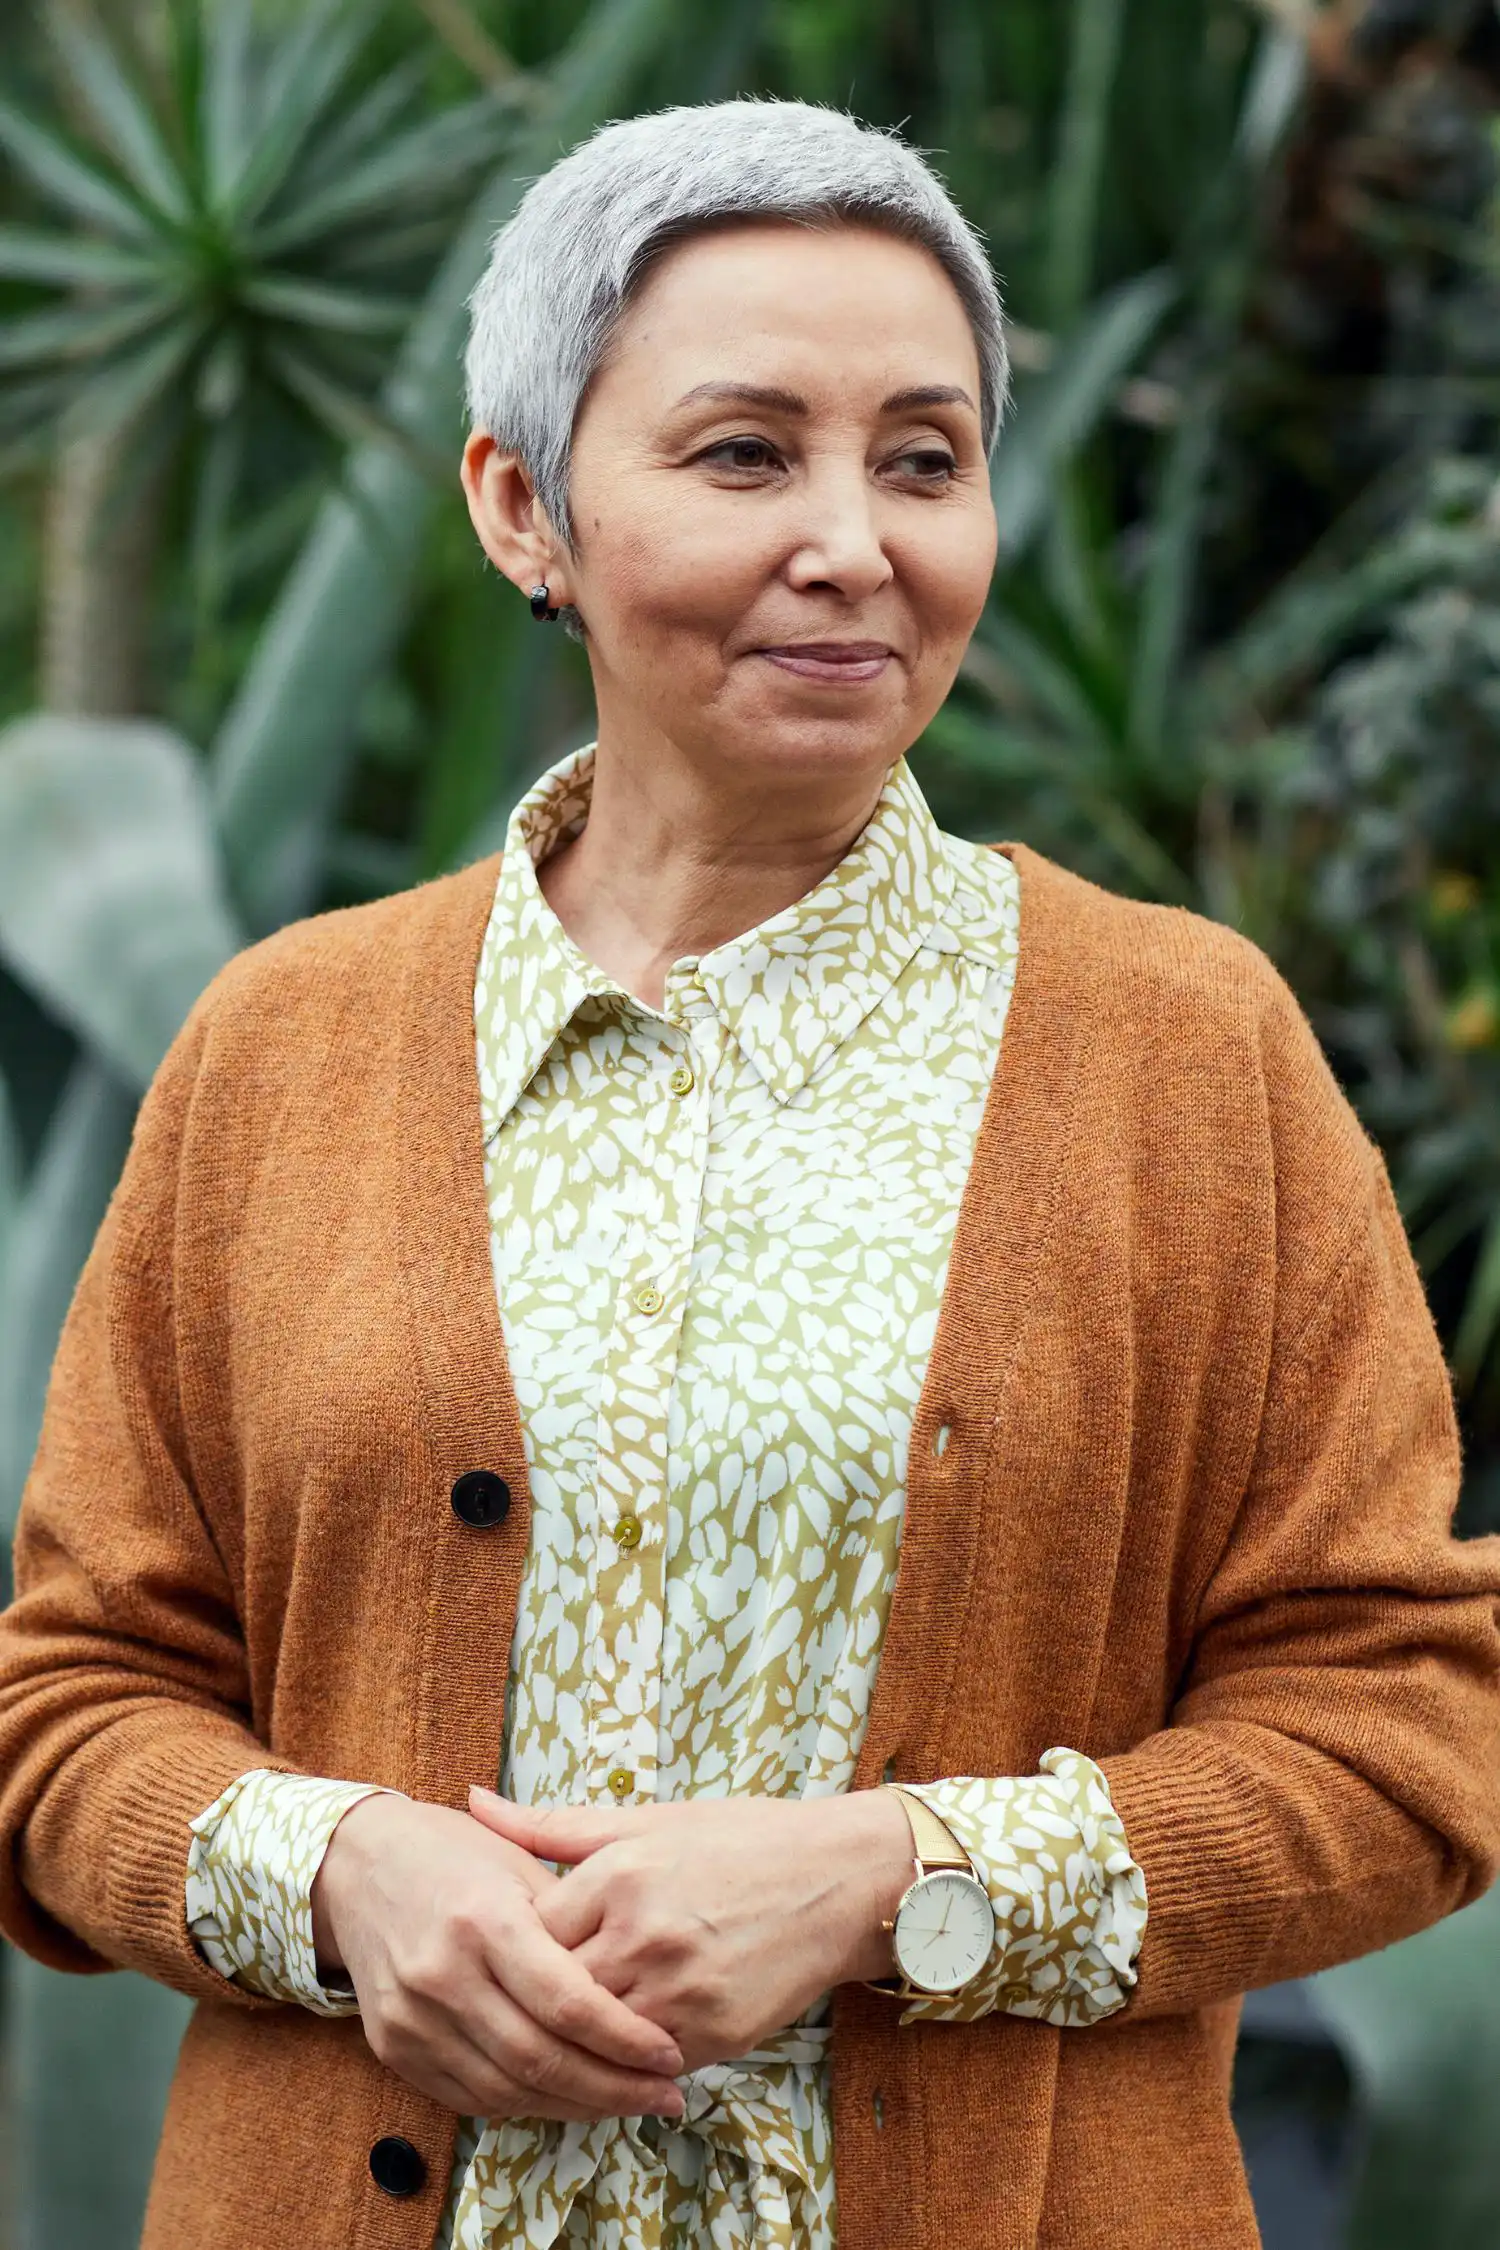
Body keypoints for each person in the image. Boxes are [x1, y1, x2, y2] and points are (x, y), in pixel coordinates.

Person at [1, 95, 1497, 2250]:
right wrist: (334, 1872)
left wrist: (901, 1885)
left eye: (923, 458)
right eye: (741, 454)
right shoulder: (282, 1049)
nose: (855, 542)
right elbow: (69, 1708)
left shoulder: (1186, 1058)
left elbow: (1411, 1728)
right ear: (526, 509)